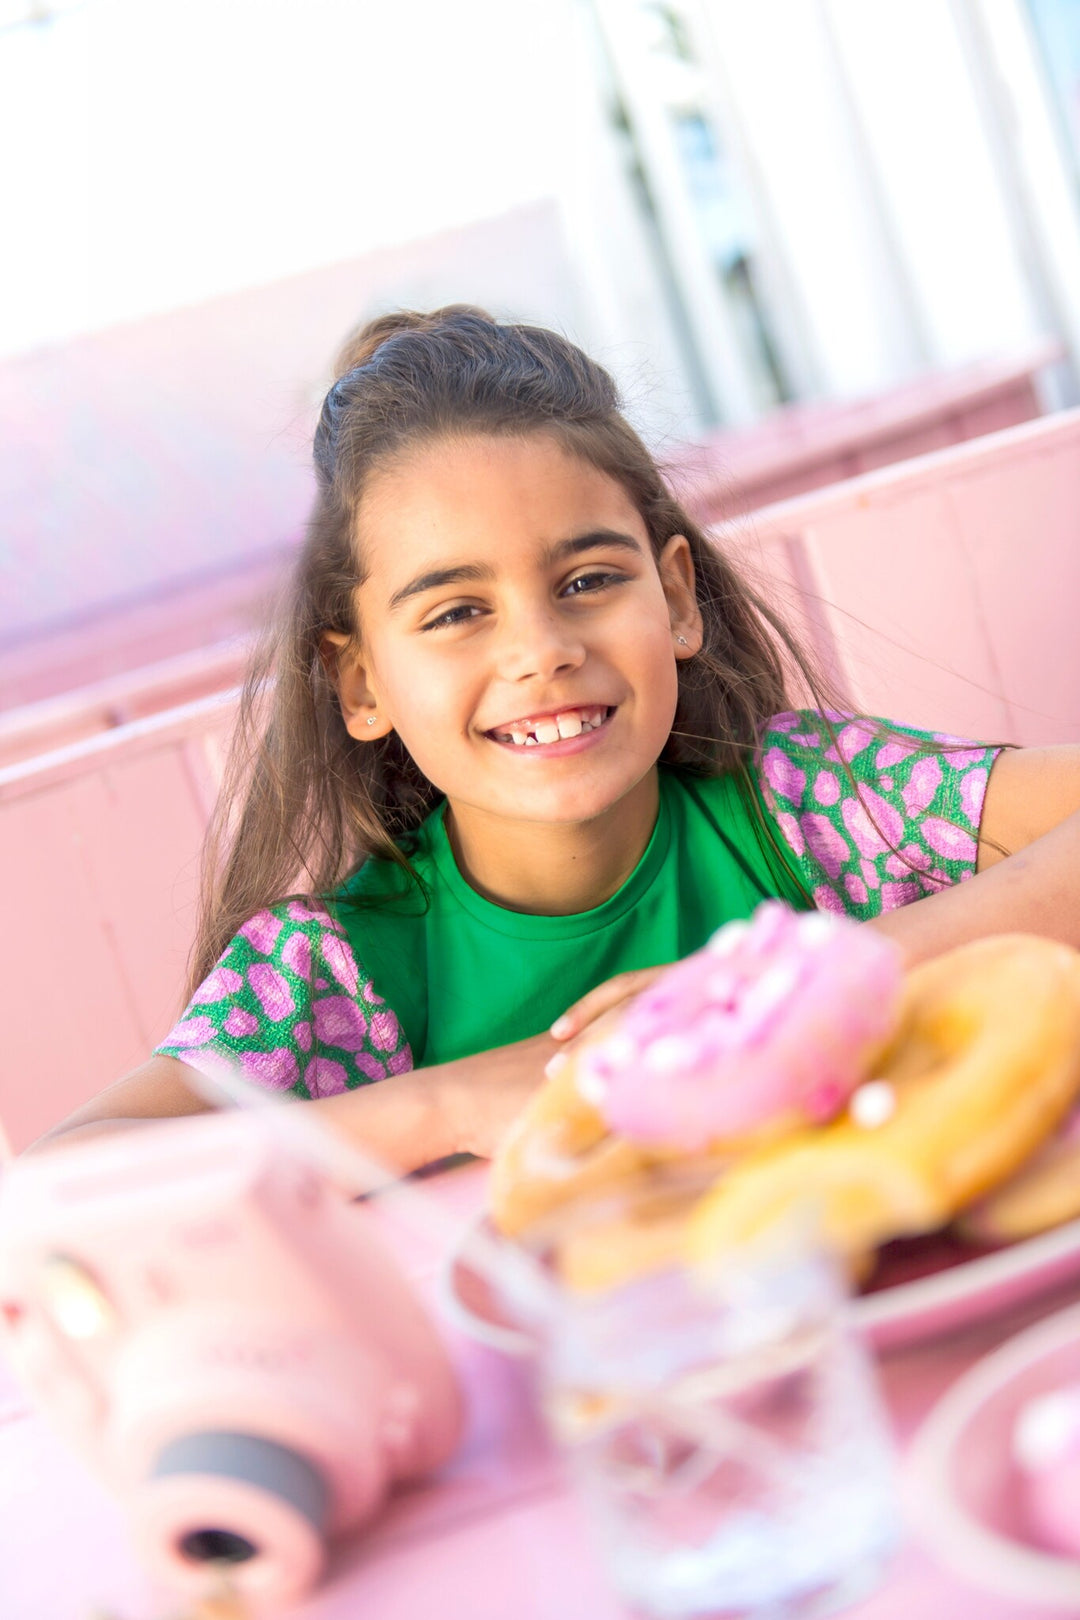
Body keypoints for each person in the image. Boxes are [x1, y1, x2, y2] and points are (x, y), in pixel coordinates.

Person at [43, 307, 1080, 1166]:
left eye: (587, 582)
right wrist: (449, 1108)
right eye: (456, 612)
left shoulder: (810, 808)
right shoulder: (339, 972)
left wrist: (809, 979)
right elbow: (57, 1188)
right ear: (361, 683)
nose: (541, 650)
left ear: (675, 597)